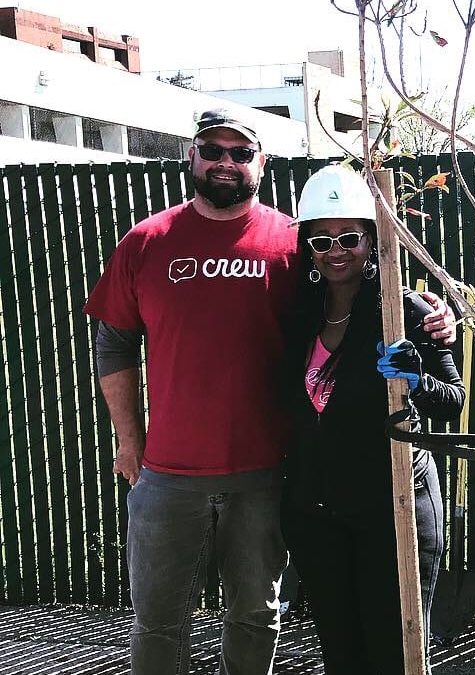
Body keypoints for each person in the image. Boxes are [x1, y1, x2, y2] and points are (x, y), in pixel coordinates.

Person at [84, 110, 455, 674]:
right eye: (214, 150)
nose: (226, 163)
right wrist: (129, 442)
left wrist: (436, 321)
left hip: (265, 474)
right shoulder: (147, 242)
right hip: (169, 475)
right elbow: (112, 344)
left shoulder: (289, 244)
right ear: (192, 155)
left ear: (262, 162)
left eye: (241, 152)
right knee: (158, 622)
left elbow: (381, 303)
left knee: (257, 618)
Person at [279, 164, 464, 674]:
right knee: (341, 652)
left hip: (394, 505)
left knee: (394, 650)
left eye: (349, 237)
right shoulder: (300, 312)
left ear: (371, 239)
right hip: (319, 513)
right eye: (321, 240)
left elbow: (453, 399)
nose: (335, 250)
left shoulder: (401, 308)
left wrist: (415, 379)